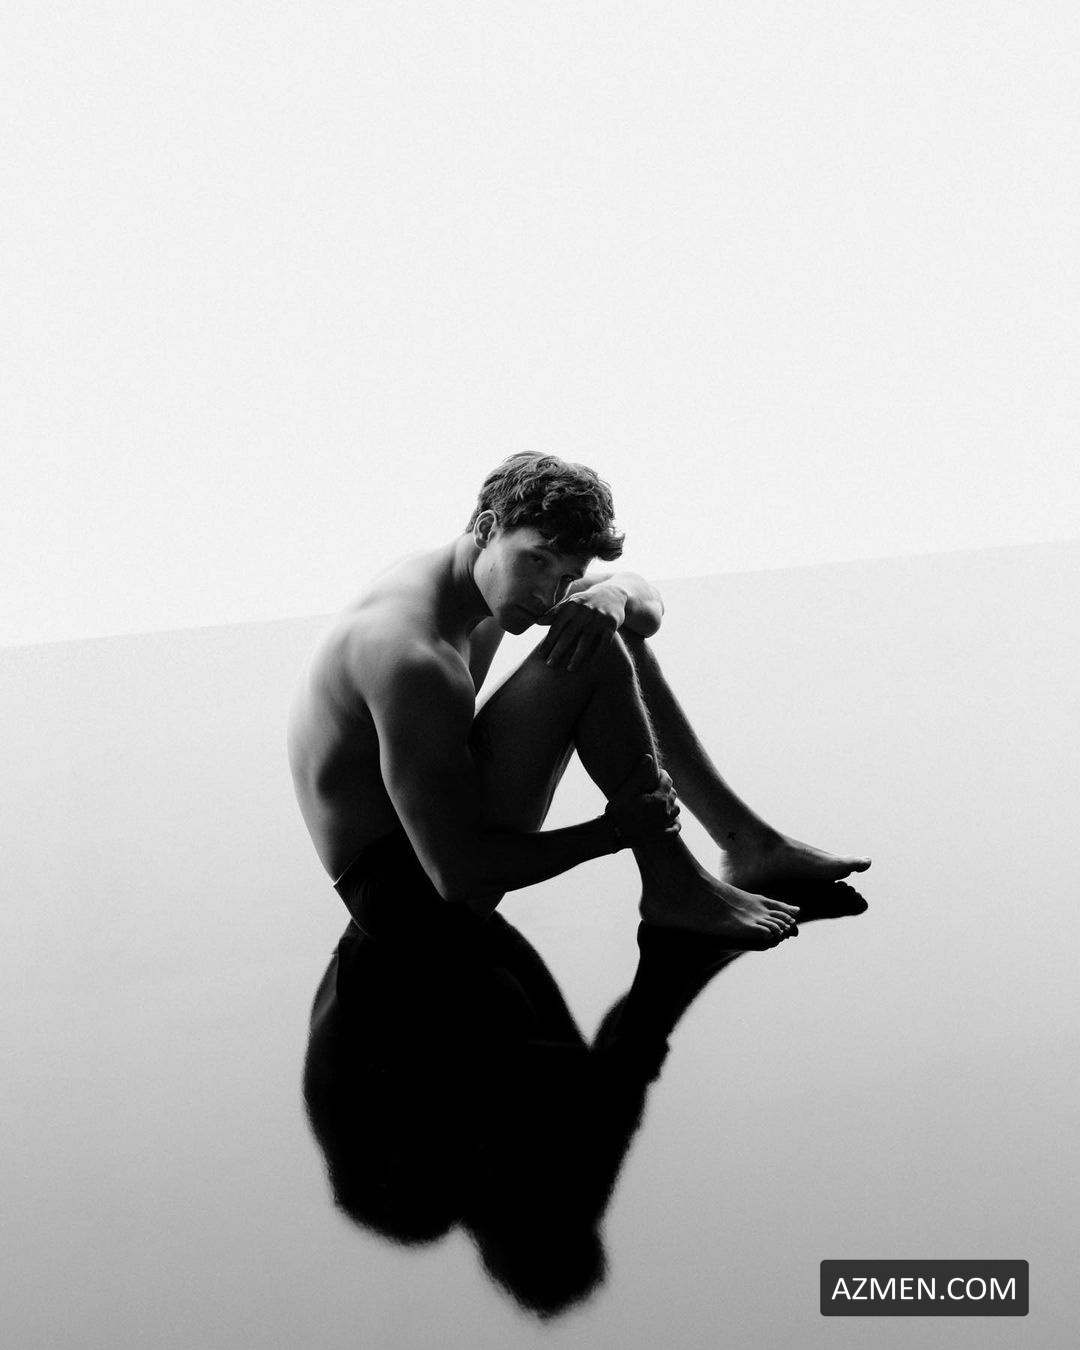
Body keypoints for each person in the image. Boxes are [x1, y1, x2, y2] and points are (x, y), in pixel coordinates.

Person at [287, 453, 870, 948]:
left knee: (599, 628)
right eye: (537, 560)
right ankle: (675, 887)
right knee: (594, 649)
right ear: (487, 528)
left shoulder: (468, 576)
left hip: (430, 839)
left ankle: (747, 843)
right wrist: (613, 831)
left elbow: (645, 605)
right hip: (410, 904)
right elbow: (456, 876)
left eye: (567, 576)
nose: (548, 593)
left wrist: (613, 594)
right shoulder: (412, 659)